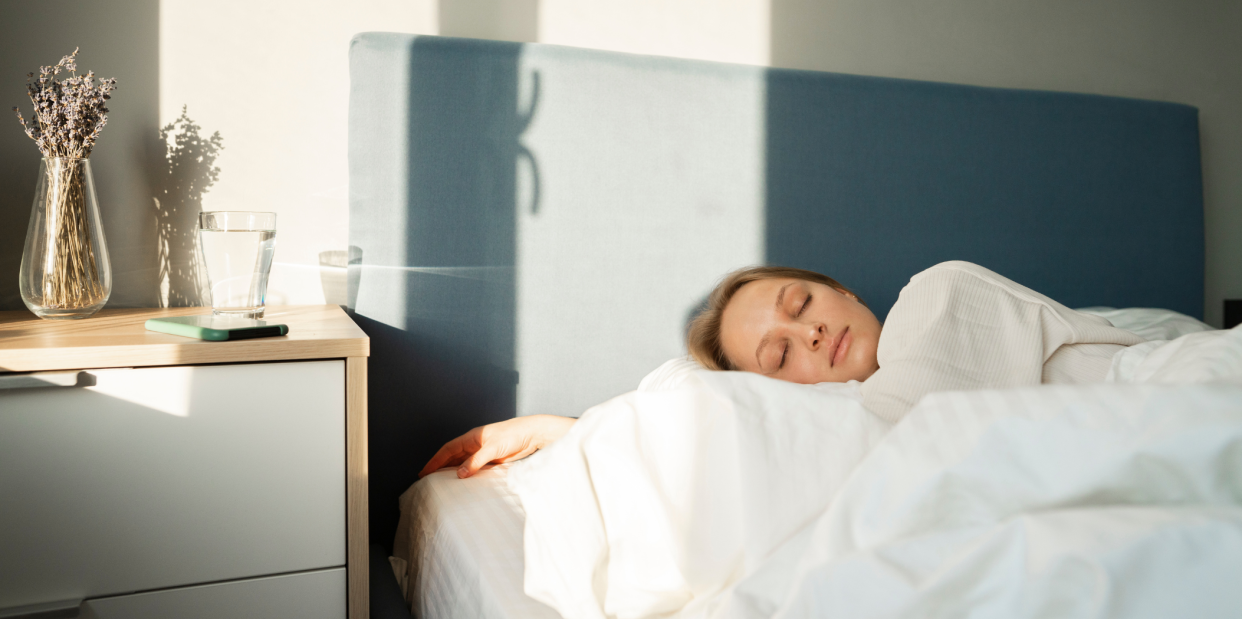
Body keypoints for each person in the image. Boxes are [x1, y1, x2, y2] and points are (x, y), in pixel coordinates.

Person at [420, 261, 1145, 479]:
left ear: (843, 290)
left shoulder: (939, 294)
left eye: (801, 303)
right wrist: (574, 430)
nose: (811, 330)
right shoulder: (841, 420)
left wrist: (581, 430)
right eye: (781, 354)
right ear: (779, 394)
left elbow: (902, 430)